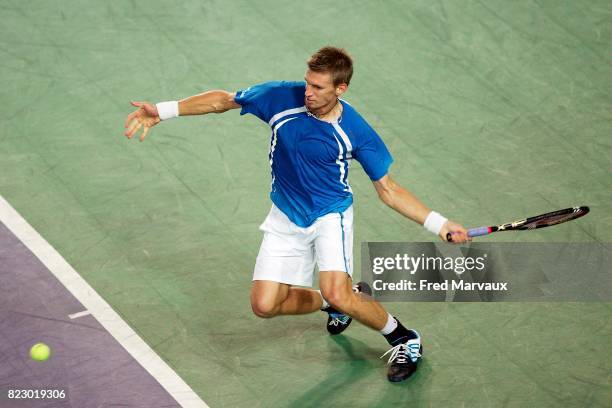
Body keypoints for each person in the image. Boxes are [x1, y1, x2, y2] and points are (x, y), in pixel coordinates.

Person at [124, 46, 470, 382]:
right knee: (265, 305)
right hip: (286, 214)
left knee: (340, 291)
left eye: (318, 87)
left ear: (341, 88)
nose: (308, 92)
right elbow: (223, 100)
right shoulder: (280, 98)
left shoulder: (356, 131)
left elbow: (388, 189)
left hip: (329, 216)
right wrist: (164, 110)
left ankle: (403, 338)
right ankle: (332, 305)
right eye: (307, 83)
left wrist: (439, 223)